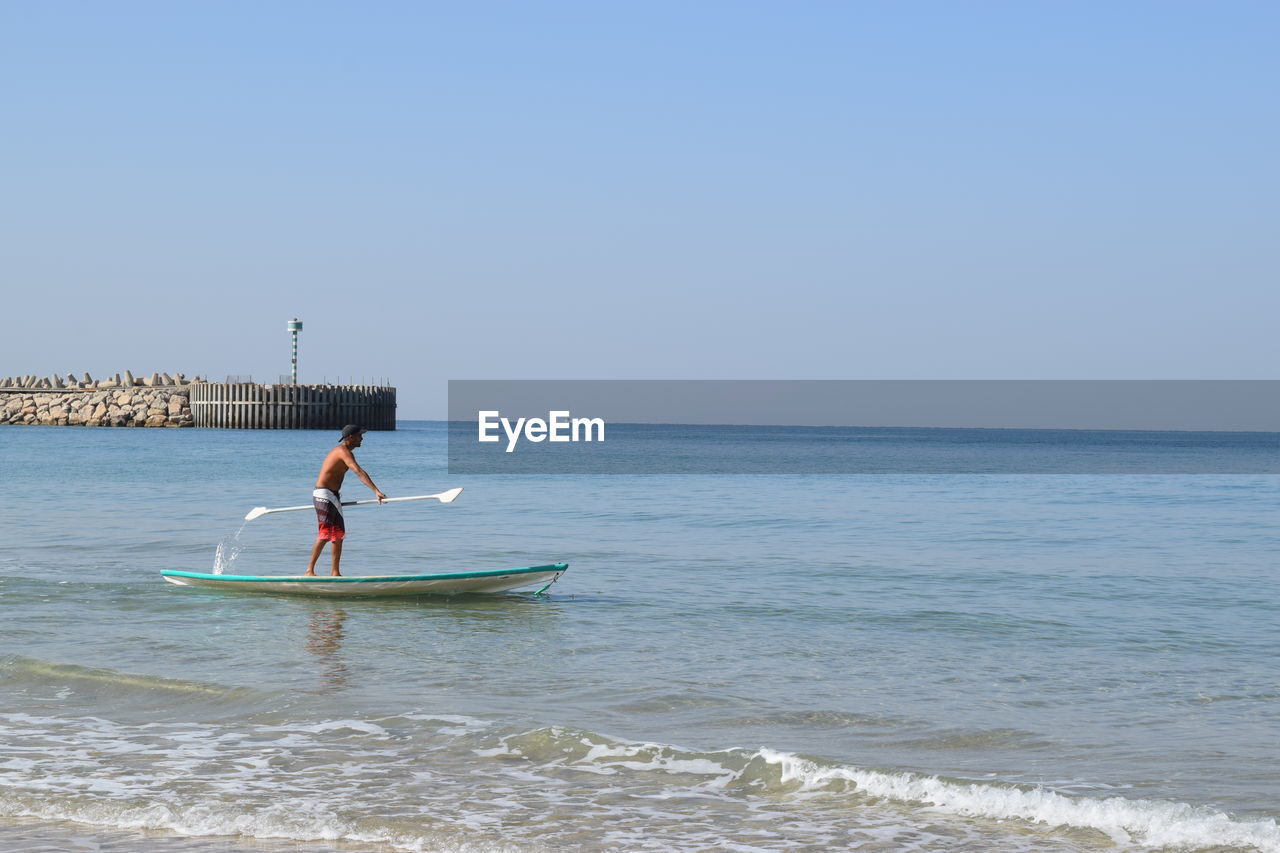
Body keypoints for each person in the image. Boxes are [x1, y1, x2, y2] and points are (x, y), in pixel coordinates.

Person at [305, 424, 387, 576]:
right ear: (351, 437)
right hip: (324, 495)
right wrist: (376, 491)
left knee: (338, 534)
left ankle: (335, 572)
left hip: (332, 496)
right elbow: (358, 471)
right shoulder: (342, 451)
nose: (362, 438)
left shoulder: (346, 452)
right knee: (325, 534)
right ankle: (309, 571)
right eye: (359, 436)